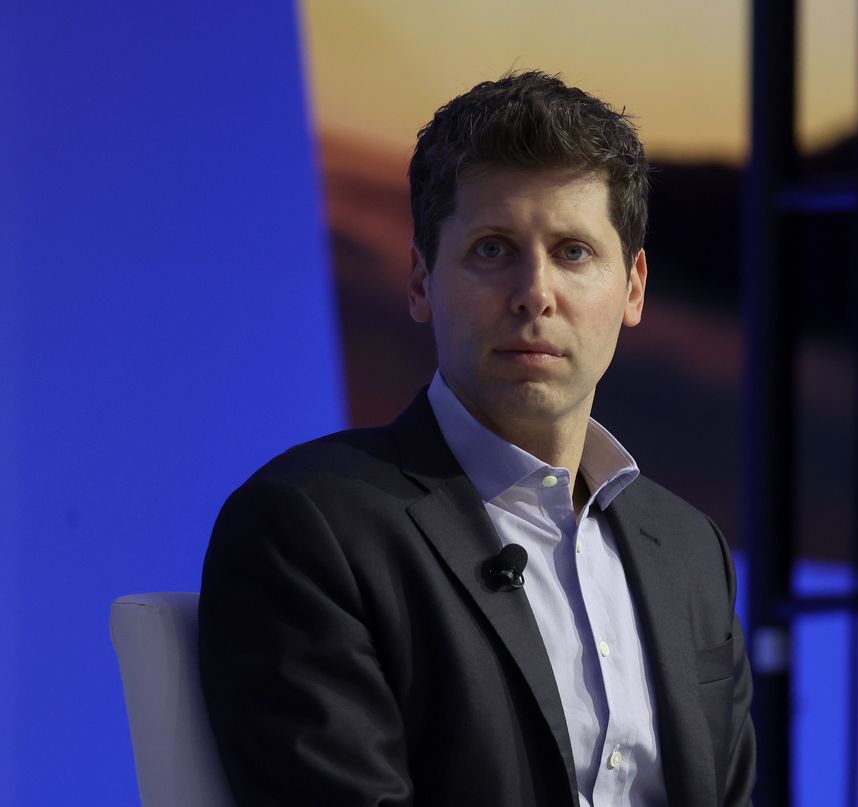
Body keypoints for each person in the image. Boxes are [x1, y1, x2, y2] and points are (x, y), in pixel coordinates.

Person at [198, 70, 754, 807]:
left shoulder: (690, 549)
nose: (535, 293)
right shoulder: (307, 527)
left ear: (633, 288)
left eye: (574, 252)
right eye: (493, 250)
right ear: (420, 282)